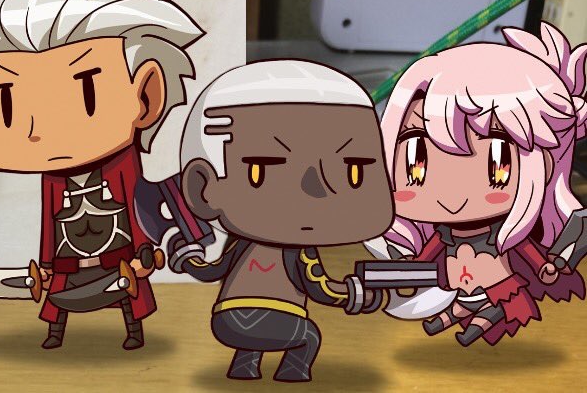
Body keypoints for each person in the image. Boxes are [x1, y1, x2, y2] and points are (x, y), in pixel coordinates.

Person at [0, 0, 203, 350]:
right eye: (7, 104)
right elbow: (49, 221)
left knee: (128, 294)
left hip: (119, 250)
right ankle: (55, 332)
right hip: (68, 251)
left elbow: (136, 205)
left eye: (85, 95)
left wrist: (144, 251)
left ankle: (133, 331)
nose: (36, 130)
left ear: (145, 96)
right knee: (61, 294)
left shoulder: (122, 162)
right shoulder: (52, 175)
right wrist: (46, 265)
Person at [173, 59, 390, 382]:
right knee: (309, 336)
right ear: (204, 189)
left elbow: (211, 270)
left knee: (255, 339)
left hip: (226, 321)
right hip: (281, 321)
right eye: (261, 169)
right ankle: (293, 373)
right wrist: (355, 295)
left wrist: (186, 256)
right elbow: (319, 288)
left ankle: (244, 366)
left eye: (354, 171)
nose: (318, 189)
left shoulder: (239, 244)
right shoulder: (299, 251)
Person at [372, 22, 587, 346]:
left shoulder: (505, 235)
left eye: (495, 165)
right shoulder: (443, 233)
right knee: (455, 310)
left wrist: (544, 266)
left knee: (491, 310)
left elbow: (527, 250)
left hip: (499, 282)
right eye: (417, 161)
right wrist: (412, 264)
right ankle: (456, 318)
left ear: (540, 165)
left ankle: (477, 323)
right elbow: (430, 251)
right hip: (459, 281)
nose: (451, 195)